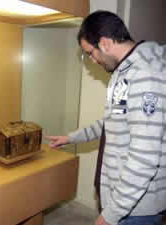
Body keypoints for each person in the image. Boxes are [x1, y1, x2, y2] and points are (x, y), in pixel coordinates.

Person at [46, 10, 166, 225]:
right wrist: (72, 137)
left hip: (136, 209)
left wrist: (112, 214)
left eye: (89, 53)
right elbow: (114, 122)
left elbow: (144, 158)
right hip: (124, 202)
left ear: (105, 43)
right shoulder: (124, 72)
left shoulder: (145, 76)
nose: (91, 61)